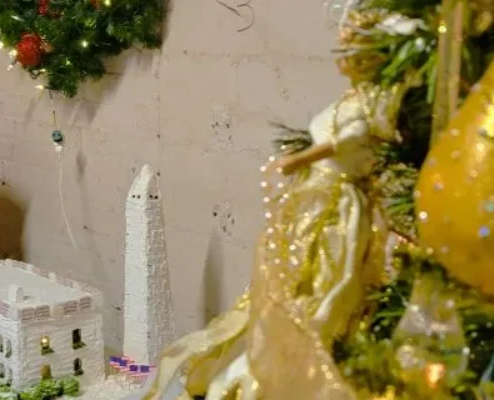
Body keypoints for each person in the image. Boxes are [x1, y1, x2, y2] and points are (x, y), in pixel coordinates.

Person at [143, 83, 404, 400]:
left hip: (331, 204)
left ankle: (311, 351)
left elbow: (344, 141)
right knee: (290, 270)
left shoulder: (368, 108)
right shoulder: (350, 101)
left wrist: (298, 160)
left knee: (325, 277)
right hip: (313, 197)